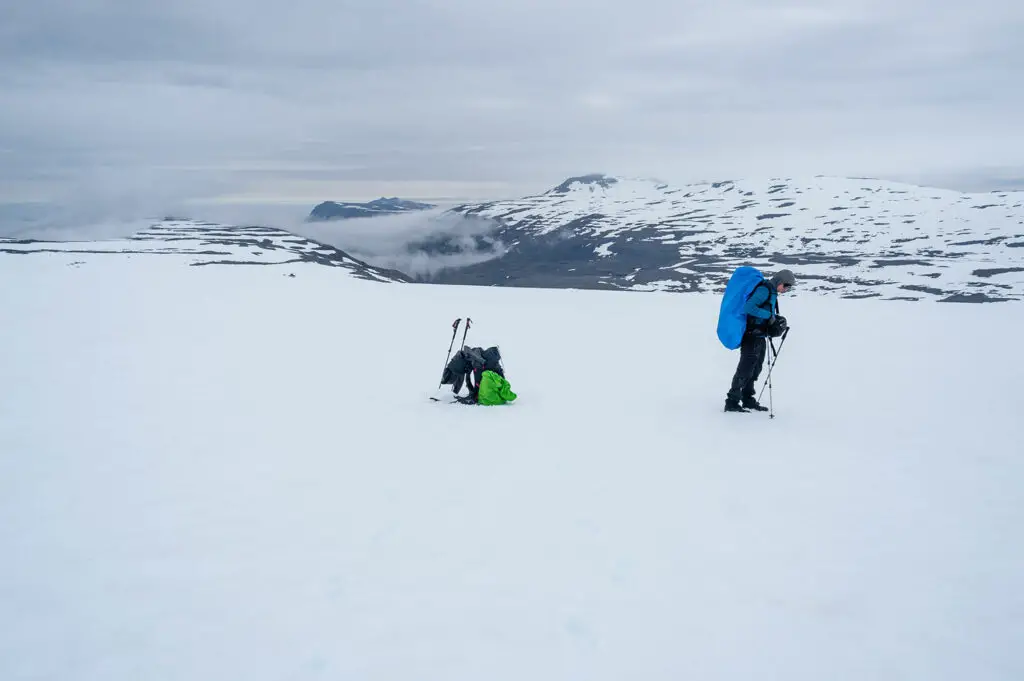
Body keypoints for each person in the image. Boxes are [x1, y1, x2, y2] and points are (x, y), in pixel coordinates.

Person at [724, 269, 795, 412]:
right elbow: (749, 307)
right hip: (752, 335)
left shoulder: (772, 292)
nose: (786, 290)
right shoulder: (764, 290)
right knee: (745, 369)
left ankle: (747, 399)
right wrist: (769, 315)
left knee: (755, 369)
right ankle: (732, 401)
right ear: (780, 282)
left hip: (761, 335)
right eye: (786, 287)